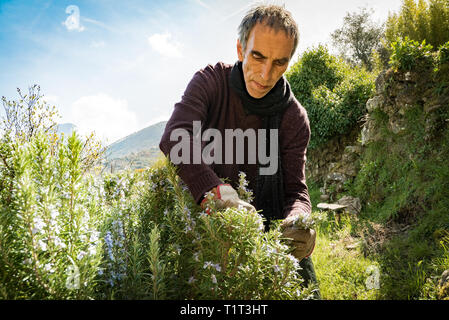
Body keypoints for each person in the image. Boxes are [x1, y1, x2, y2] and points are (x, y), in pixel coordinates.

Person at [159, 4, 320, 299]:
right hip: (204, 233)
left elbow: (296, 190)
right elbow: (175, 136)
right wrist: (216, 191)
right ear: (240, 48)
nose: (265, 73)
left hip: (264, 243)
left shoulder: (294, 118)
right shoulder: (210, 82)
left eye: (279, 62)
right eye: (257, 56)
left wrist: (300, 221)